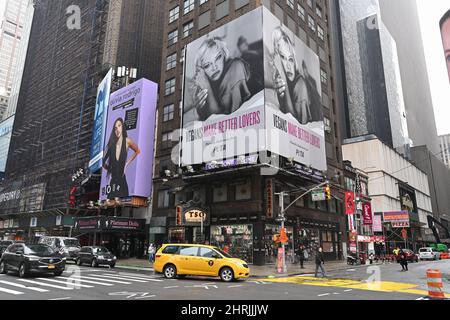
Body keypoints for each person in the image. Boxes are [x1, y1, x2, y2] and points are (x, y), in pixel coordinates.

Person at [189, 37, 251, 121]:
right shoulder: (202, 84)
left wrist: (208, 90)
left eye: (218, 58)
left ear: (224, 55)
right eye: (207, 65)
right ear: (201, 70)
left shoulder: (236, 67)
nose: (214, 67)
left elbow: (223, 122)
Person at [272, 26, 311, 125]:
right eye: (283, 58)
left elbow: (299, 126)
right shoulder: (278, 81)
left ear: (294, 61)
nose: (288, 66)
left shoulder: (300, 85)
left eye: (290, 59)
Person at [102, 118, 141, 199]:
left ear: (122, 127)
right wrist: (110, 169)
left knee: (123, 201)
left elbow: (137, 151)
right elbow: (102, 162)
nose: (117, 129)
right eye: (115, 128)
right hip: (112, 185)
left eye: (119, 126)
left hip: (122, 182)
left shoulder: (127, 141)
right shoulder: (111, 144)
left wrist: (126, 164)